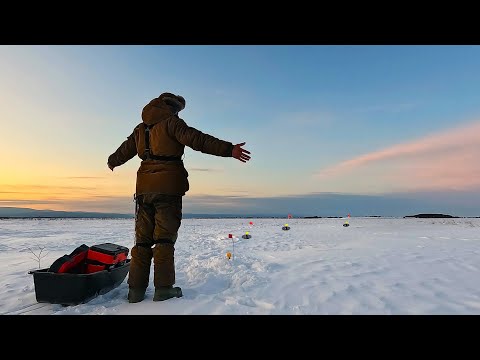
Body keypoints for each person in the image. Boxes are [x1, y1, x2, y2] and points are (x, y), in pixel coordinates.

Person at [107, 92, 251, 303]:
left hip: (144, 190)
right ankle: (163, 289)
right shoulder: (171, 123)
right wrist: (229, 150)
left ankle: (135, 291)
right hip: (168, 189)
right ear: (172, 107)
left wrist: (112, 161)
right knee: (164, 239)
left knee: (142, 241)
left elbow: (124, 150)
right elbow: (198, 140)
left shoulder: (140, 128)